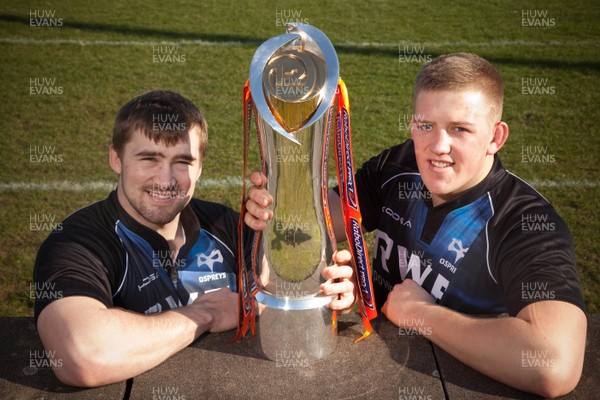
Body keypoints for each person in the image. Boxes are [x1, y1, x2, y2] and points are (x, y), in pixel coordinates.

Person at [244, 53, 587, 398]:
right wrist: (272, 214)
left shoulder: (524, 222)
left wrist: (423, 315)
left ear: (496, 137)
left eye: (460, 129)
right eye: (426, 126)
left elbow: (552, 365)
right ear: (412, 124)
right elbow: (308, 232)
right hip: (370, 371)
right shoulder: (398, 167)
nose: (438, 147)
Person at [32, 90, 355, 387]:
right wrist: (204, 314)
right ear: (116, 158)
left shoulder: (224, 224)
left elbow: (268, 298)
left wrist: (319, 290)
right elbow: (81, 355)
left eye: (183, 162)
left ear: (200, 167)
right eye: (149, 159)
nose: (166, 179)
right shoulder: (78, 242)